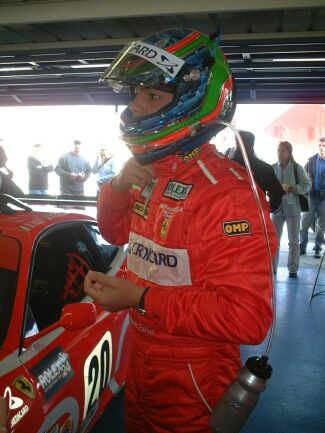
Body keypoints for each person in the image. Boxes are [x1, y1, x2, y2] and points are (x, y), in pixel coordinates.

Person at [83, 28, 277, 433]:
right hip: (140, 355)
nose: (135, 106)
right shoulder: (147, 171)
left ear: (192, 103)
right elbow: (114, 231)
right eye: (136, 92)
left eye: (151, 96)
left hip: (194, 371)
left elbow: (247, 318)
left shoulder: (226, 194)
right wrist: (117, 188)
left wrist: (141, 297)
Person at [271, 141, 311, 277]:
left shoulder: (297, 168)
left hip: (293, 210)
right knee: (274, 239)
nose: (279, 153)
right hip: (276, 209)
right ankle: (272, 267)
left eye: (282, 151)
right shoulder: (272, 168)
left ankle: (293, 268)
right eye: (277, 150)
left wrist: (295, 189)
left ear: (289, 153)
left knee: (293, 241)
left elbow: (307, 184)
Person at [229, 129, 284, 212]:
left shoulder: (227, 166)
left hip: (231, 217)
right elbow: (278, 193)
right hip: (257, 216)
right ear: (252, 144)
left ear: (237, 144)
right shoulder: (265, 168)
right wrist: (266, 209)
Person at [300, 136, 325, 258]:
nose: (321, 148)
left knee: (321, 225)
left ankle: (318, 247)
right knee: (304, 223)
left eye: (323, 146)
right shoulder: (311, 161)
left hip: (324, 199)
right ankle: (302, 246)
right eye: (319, 145)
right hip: (311, 197)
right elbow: (302, 176)